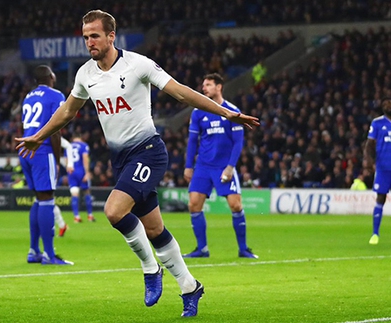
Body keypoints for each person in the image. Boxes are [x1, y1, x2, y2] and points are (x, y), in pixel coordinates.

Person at [15, 10, 259, 317]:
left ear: (111, 36)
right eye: (86, 36)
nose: (89, 42)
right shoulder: (85, 74)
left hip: (148, 151)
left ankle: (150, 268)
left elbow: (181, 92)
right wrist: (39, 136)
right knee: (155, 229)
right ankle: (190, 287)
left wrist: (225, 112)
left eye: (95, 35)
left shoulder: (137, 64)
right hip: (122, 160)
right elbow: (67, 112)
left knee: (114, 210)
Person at [183, 73, 258, 259]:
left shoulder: (231, 111)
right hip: (203, 166)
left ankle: (243, 249)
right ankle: (202, 249)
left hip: (223, 166)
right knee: (193, 205)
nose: (204, 88)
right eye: (203, 85)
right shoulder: (198, 112)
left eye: (208, 84)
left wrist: (231, 167)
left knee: (235, 205)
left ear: (219, 87)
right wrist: (188, 166)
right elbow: (192, 141)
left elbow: (238, 142)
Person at [20, 65, 73, 265]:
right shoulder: (55, 95)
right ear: (50, 76)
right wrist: (58, 159)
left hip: (26, 148)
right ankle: (50, 255)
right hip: (42, 150)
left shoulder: (29, 96)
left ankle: (34, 251)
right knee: (47, 198)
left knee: (38, 199)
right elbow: (56, 128)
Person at [364, 97, 391, 245]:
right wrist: (367, 159)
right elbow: (369, 143)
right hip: (383, 168)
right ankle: (375, 233)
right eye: (385, 103)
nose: (388, 105)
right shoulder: (377, 123)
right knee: (380, 198)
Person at [68, 132, 96, 223]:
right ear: (80, 138)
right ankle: (90, 215)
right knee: (87, 192)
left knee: (74, 193)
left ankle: (76, 216)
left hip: (71, 171)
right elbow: (85, 158)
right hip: (81, 171)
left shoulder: (69, 146)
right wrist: (87, 173)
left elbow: (66, 160)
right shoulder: (84, 145)